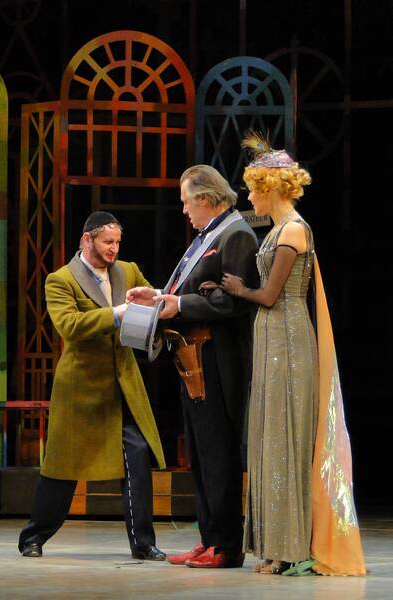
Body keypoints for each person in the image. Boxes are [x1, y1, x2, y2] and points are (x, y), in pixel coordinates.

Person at [202, 132, 366, 576]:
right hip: (273, 336)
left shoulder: (293, 229)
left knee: (285, 437)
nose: (249, 197)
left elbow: (271, 295)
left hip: (288, 339)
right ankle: (275, 546)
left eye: (254, 189)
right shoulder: (278, 229)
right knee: (270, 437)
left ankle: (290, 547)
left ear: (271, 188)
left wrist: (238, 289)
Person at [126, 165, 259, 568]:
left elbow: (233, 302)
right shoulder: (206, 237)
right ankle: (209, 537)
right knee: (200, 454)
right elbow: (187, 291)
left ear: (205, 198)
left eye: (186, 202)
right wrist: (158, 297)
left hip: (217, 361)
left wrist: (179, 304)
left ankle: (226, 546)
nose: (184, 210)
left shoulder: (236, 235)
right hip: (191, 358)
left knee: (218, 452)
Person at [18, 211, 166, 561]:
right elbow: (69, 325)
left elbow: (155, 304)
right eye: (107, 242)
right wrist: (116, 314)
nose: (114, 248)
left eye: (118, 242)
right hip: (81, 386)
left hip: (122, 383)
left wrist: (155, 301)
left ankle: (143, 543)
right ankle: (34, 536)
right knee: (62, 467)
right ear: (87, 240)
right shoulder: (61, 280)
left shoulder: (128, 271)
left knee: (136, 455)